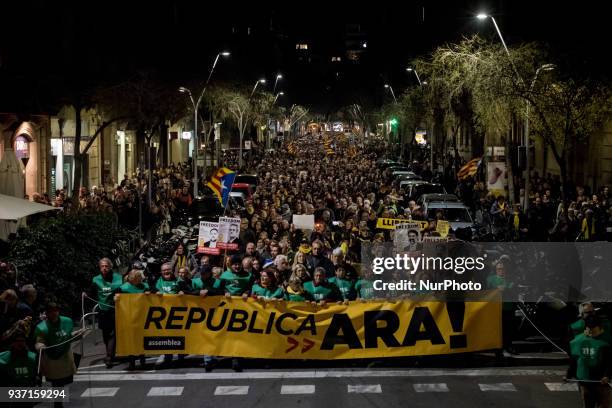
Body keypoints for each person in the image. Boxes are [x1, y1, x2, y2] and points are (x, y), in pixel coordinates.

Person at [35, 303, 80, 408]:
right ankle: (58, 404)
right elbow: (39, 341)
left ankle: (58, 403)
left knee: (62, 382)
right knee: (57, 382)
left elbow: (69, 336)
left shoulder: (67, 321)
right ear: (47, 313)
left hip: (65, 355)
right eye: (51, 311)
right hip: (52, 358)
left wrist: (77, 334)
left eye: (56, 310)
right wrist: (40, 346)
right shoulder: (42, 327)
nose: (54, 313)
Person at [567, 315, 612, 408]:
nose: (591, 334)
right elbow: (575, 358)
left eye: (594, 331)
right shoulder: (580, 341)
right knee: (588, 405)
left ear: (601, 329)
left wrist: (607, 375)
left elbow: (609, 362)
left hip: (602, 382)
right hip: (585, 381)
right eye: (589, 331)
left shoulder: (607, 341)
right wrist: (569, 374)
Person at [90, 258, 122, 368]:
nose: (104, 268)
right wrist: (85, 293)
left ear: (110, 267)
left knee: (112, 334)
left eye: (106, 266)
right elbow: (91, 291)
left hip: (114, 310)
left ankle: (109, 357)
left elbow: (121, 289)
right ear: (99, 268)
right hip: (102, 311)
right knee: (105, 334)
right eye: (102, 266)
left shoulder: (117, 278)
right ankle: (110, 353)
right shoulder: (96, 279)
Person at [115, 269, 149, 370]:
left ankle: (143, 361)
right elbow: (113, 297)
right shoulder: (123, 288)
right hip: (128, 318)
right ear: (130, 279)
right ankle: (132, 362)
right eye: (134, 279)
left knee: (141, 340)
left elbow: (153, 294)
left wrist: (149, 293)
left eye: (138, 279)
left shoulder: (145, 286)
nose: (136, 281)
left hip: (142, 317)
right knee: (131, 340)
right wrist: (115, 298)